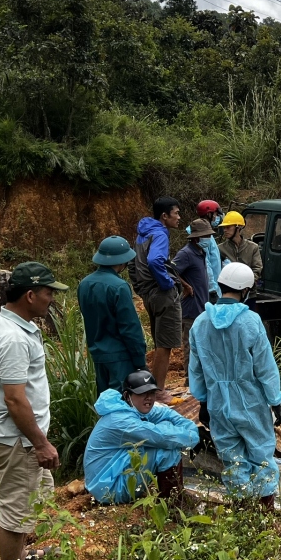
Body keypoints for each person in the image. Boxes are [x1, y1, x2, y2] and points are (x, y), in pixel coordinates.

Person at [0, 261, 67, 560]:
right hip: (18, 440)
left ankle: (21, 556)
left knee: (32, 496)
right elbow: (15, 399)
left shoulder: (10, 324)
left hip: (19, 437)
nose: (51, 300)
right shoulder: (13, 338)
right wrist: (40, 443)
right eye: (48, 294)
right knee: (16, 510)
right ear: (30, 295)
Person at [187, 262, 281, 506]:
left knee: (232, 457)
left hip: (218, 403)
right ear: (245, 290)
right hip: (251, 401)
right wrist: (275, 401)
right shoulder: (251, 321)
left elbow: (196, 370)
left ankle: (242, 513)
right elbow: (265, 367)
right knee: (261, 454)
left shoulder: (200, 323)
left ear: (220, 286)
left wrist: (203, 402)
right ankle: (264, 513)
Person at [83, 369, 201, 505]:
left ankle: (172, 498)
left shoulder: (128, 408)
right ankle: (173, 506)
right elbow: (163, 437)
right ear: (128, 395)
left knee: (165, 424)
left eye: (151, 393)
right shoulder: (121, 421)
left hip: (110, 476)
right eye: (142, 393)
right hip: (108, 489)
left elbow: (165, 413)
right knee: (166, 451)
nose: (149, 398)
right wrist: (191, 435)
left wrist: (190, 430)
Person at [78, 236, 148, 397]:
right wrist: (139, 360)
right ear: (122, 261)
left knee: (105, 402)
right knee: (122, 404)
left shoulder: (84, 284)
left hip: (98, 355)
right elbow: (129, 327)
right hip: (120, 356)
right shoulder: (119, 287)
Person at [133, 197, 185, 391]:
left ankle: (153, 389)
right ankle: (159, 391)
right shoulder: (160, 234)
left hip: (149, 294)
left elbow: (133, 263)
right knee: (165, 344)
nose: (179, 217)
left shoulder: (142, 234)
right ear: (164, 216)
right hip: (162, 294)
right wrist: (167, 283)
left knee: (159, 342)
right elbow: (155, 261)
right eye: (176, 213)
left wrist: (140, 288)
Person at [174, 219, 217, 376]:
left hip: (201, 307)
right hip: (190, 308)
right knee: (191, 346)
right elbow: (169, 271)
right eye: (206, 236)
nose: (209, 239)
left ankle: (199, 378)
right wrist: (185, 285)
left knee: (202, 345)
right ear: (196, 238)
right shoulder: (186, 254)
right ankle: (189, 379)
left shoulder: (200, 253)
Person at [217, 211, 263, 282]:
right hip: (229, 290)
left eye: (228, 227)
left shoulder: (253, 247)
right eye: (224, 228)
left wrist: (247, 284)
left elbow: (257, 269)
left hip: (249, 290)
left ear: (238, 227)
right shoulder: (220, 249)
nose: (225, 230)